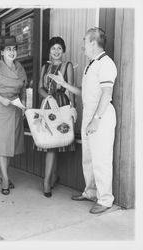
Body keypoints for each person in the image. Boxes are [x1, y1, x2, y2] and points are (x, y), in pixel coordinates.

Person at [49, 27, 117, 214]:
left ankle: (105, 199)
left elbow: (107, 94)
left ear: (93, 43)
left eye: (85, 42)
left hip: (100, 115)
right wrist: (64, 84)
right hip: (89, 114)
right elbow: (83, 92)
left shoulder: (106, 63)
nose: (82, 46)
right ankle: (90, 192)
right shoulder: (90, 65)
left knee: (101, 158)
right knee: (88, 157)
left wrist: (96, 119)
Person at [0, 36, 27, 195]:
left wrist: (22, 106)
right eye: (8, 49)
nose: (12, 52)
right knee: (2, 145)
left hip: (14, 108)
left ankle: (3, 175)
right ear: (2, 52)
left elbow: (23, 88)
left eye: (14, 49)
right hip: (0, 107)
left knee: (10, 145)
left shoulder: (20, 68)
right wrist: (2, 99)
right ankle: (6, 180)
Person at [38, 36, 76, 198]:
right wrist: (48, 96)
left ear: (63, 50)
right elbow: (39, 88)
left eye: (59, 48)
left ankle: (49, 179)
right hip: (48, 105)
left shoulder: (67, 65)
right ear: (49, 50)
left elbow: (71, 89)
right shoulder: (44, 68)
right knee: (51, 144)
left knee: (57, 143)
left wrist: (73, 109)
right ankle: (49, 179)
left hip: (62, 105)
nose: (56, 51)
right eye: (53, 48)